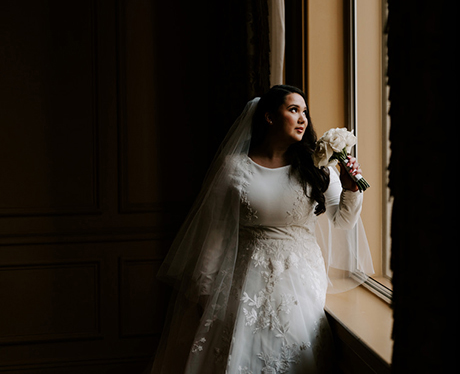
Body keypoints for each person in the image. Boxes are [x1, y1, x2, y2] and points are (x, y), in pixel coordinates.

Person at [151, 85, 374, 374]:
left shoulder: (318, 168)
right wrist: (206, 296)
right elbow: (215, 238)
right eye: (293, 110)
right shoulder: (234, 168)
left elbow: (343, 221)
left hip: (300, 285)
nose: (303, 118)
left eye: (305, 112)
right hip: (243, 285)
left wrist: (352, 190)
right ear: (269, 117)